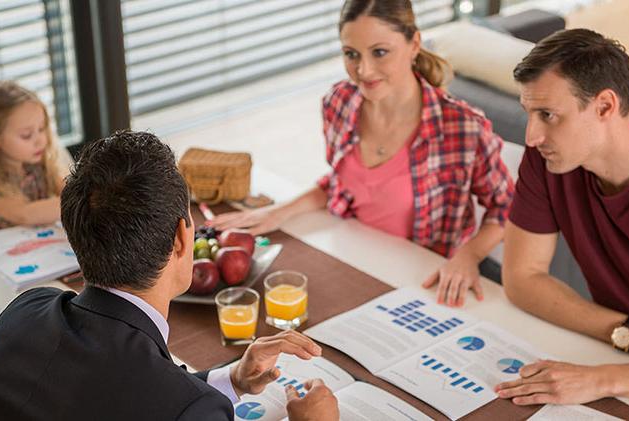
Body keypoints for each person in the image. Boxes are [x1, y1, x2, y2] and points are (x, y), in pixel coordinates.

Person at [0, 131, 339, 421]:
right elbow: (158, 402)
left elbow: (112, 400)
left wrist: (233, 380)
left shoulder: (24, 313)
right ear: (182, 238)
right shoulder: (187, 409)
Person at [213, 0, 515, 307]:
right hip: (355, 257)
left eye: (380, 52)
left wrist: (469, 255)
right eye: (351, 54)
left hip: (421, 279)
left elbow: (507, 207)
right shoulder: (340, 102)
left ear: (414, 43)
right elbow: (344, 183)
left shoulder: (461, 126)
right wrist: (278, 212)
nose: (363, 70)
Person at [496, 29, 629, 404]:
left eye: (547, 114)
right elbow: (521, 278)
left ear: (605, 106)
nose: (531, 136)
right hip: (624, 360)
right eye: (528, 113)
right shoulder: (551, 159)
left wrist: (600, 380)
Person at [0, 81, 66, 241]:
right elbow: (26, 214)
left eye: (42, 129)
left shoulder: (39, 167)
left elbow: (68, 190)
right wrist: (80, 201)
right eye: (26, 135)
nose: (40, 140)